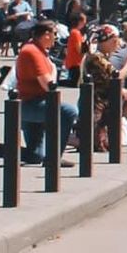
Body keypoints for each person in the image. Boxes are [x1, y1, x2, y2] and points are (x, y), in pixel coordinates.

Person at [14, 20, 78, 166]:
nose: (56, 38)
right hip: (30, 105)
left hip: (35, 103)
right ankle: (54, 158)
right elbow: (48, 84)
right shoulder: (32, 51)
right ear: (46, 35)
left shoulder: (38, 49)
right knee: (68, 111)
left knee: (35, 155)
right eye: (55, 34)